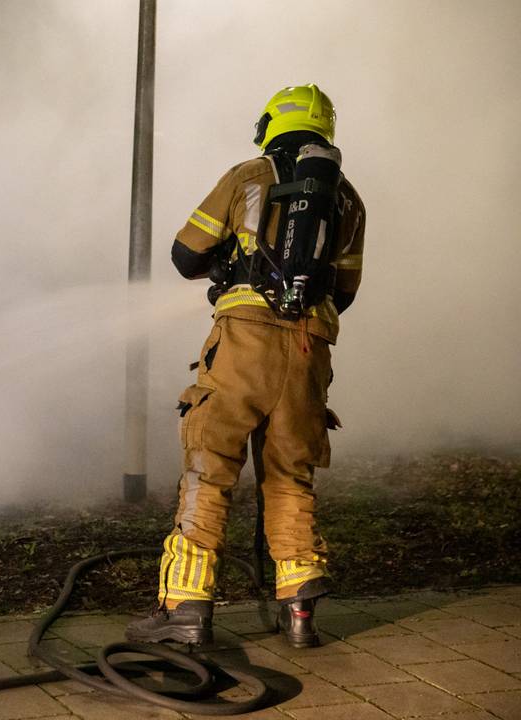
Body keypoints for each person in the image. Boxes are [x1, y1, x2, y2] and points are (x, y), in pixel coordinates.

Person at [126, 84, 366, 648]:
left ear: (271, 125)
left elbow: (186, 254)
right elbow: (346, 288)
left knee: (210, 468)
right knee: (290, 476)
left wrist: (234, 269)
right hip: (309, 350)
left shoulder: (247, 175)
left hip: (243, 342)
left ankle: (184, 609)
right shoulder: (349, 200)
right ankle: (301, 611)